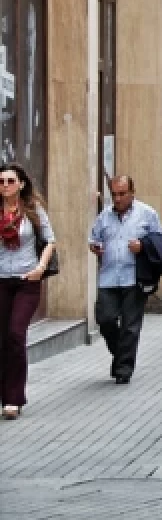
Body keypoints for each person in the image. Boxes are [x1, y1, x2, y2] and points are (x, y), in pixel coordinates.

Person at [89, 175, 162, 385]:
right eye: (114, 194)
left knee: (130, 326)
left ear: (132, 192)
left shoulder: (147, 214)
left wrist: (143, 247)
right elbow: (94, 239)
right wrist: (95, 247)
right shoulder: (104, 216)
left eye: (122, 194)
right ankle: (121, 355)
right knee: (105, 320)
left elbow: (160, 243)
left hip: (134, 277)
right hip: (109, 276)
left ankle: (123, 369)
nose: (117, 199)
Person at [0, 164, 55, 419]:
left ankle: (13, 399)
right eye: (1, 181)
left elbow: (50, 240)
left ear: (21, 184)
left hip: (27, 280)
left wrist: (41, 267)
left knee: (15, 333)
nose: (5, 185)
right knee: (2, 339)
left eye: (10, 181)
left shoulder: (33, 210)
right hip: (1, 280)